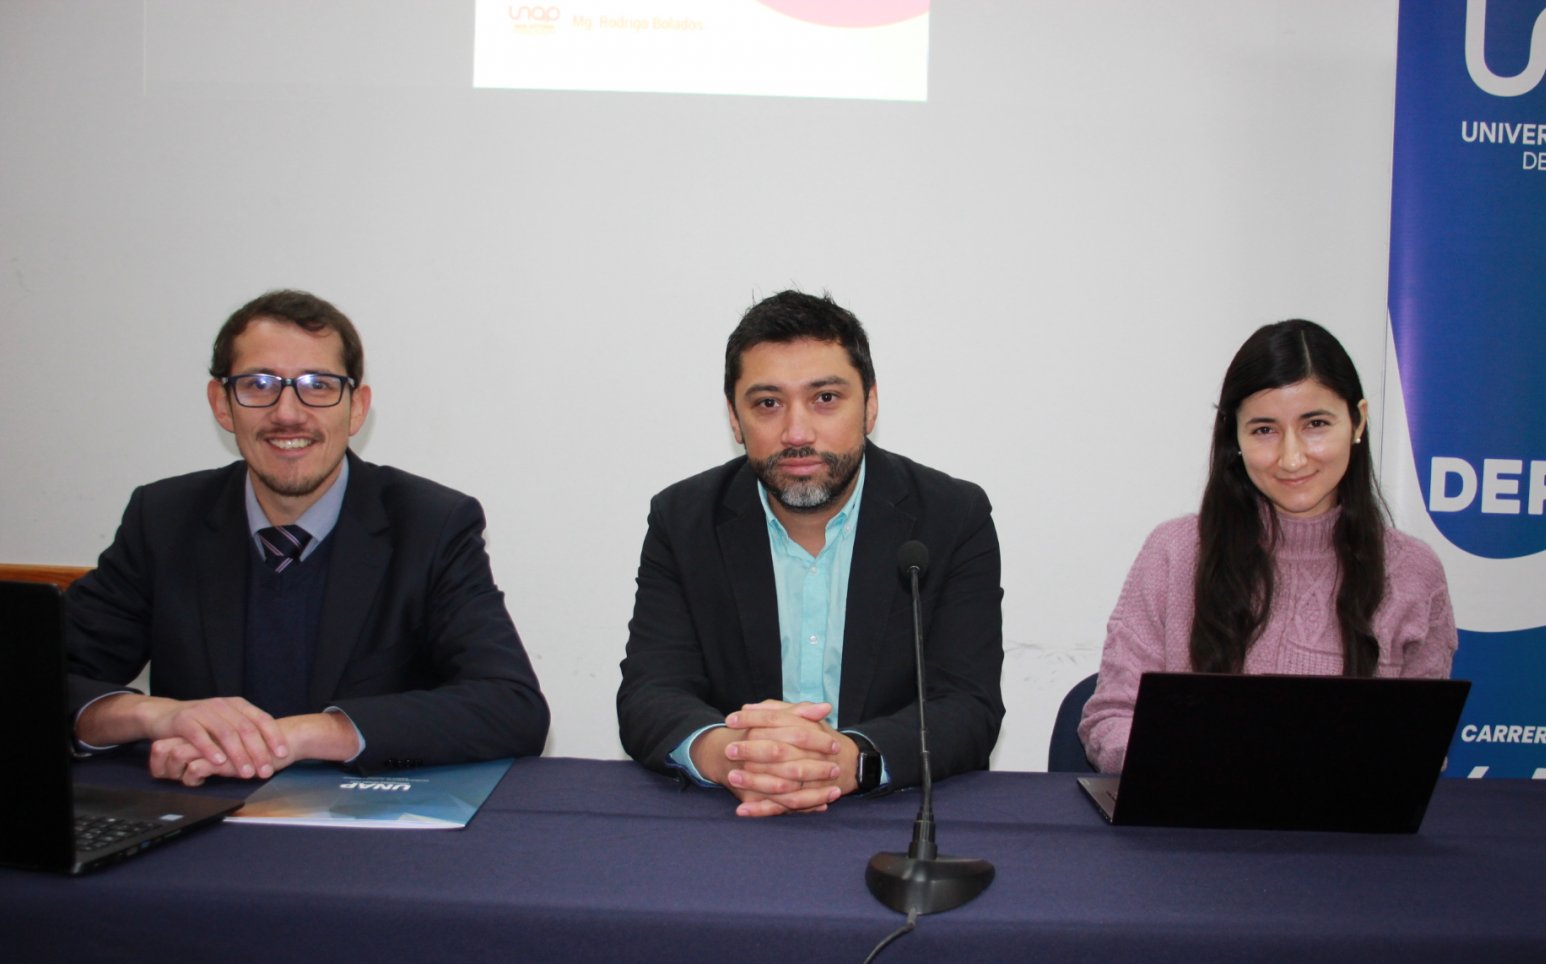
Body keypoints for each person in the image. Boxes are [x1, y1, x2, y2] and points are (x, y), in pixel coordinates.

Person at [66, 289, 548, 785]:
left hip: (362, 819)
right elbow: (38, 680)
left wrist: (300, 736)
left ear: (357, 409)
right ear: (222, 405)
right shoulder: (164, 520)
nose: (288, 413)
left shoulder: (431, 525)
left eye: (318, 385)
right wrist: (156, 716)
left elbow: (512, 707)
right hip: (199, 808)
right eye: (258, 384)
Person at [617, 289, 1004, 817]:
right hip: (733, 816)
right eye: (768, 403)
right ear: (734, 419)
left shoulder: (951, 516)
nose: (796, 433)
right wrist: (730, 756)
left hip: (892, 817)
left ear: (870, 405)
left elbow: (968, 704)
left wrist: (852, 760)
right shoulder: (683, 520)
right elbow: (650, 691)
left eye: (825, 398)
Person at [1079, 318, 1457, 773]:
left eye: (1316, 424)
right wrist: (1192, 772)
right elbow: (1112, 718)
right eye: (1264, 430)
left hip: (1345, 819)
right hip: (1194, 813)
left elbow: (1420, 746)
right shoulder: (1174, 553)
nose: (1292, 457)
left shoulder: (1415, 572)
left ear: (1358, 421)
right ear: (1233, 437)